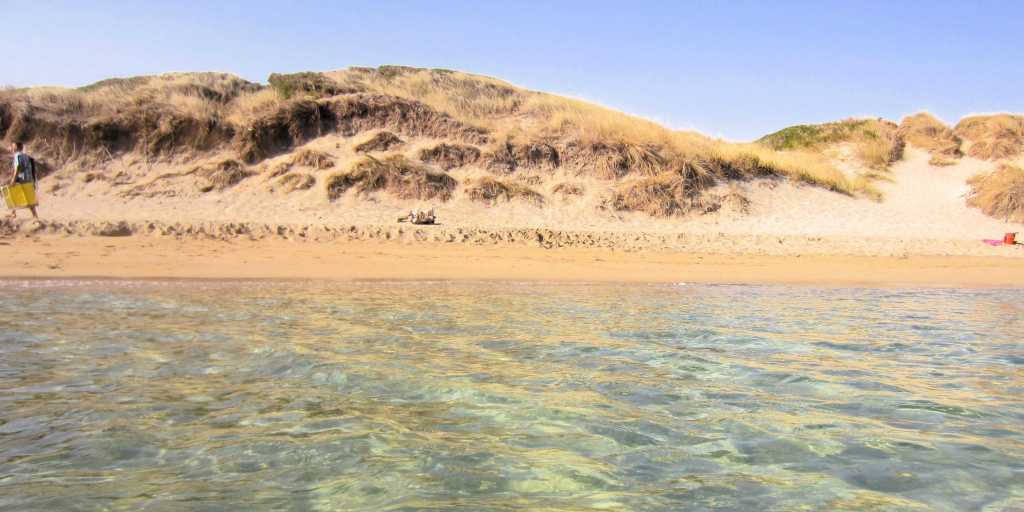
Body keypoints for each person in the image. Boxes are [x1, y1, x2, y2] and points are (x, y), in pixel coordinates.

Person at [7, 141, 39, 220]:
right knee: (29, 198)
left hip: (21, 179)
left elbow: (17, 168)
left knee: (12, 194)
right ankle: (35, 216)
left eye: (12, 146)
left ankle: (13, 214)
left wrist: (13, 180)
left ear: (16, 148)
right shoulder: (26, 156)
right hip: (28, 179)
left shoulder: (17, 156)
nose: (11, 148)